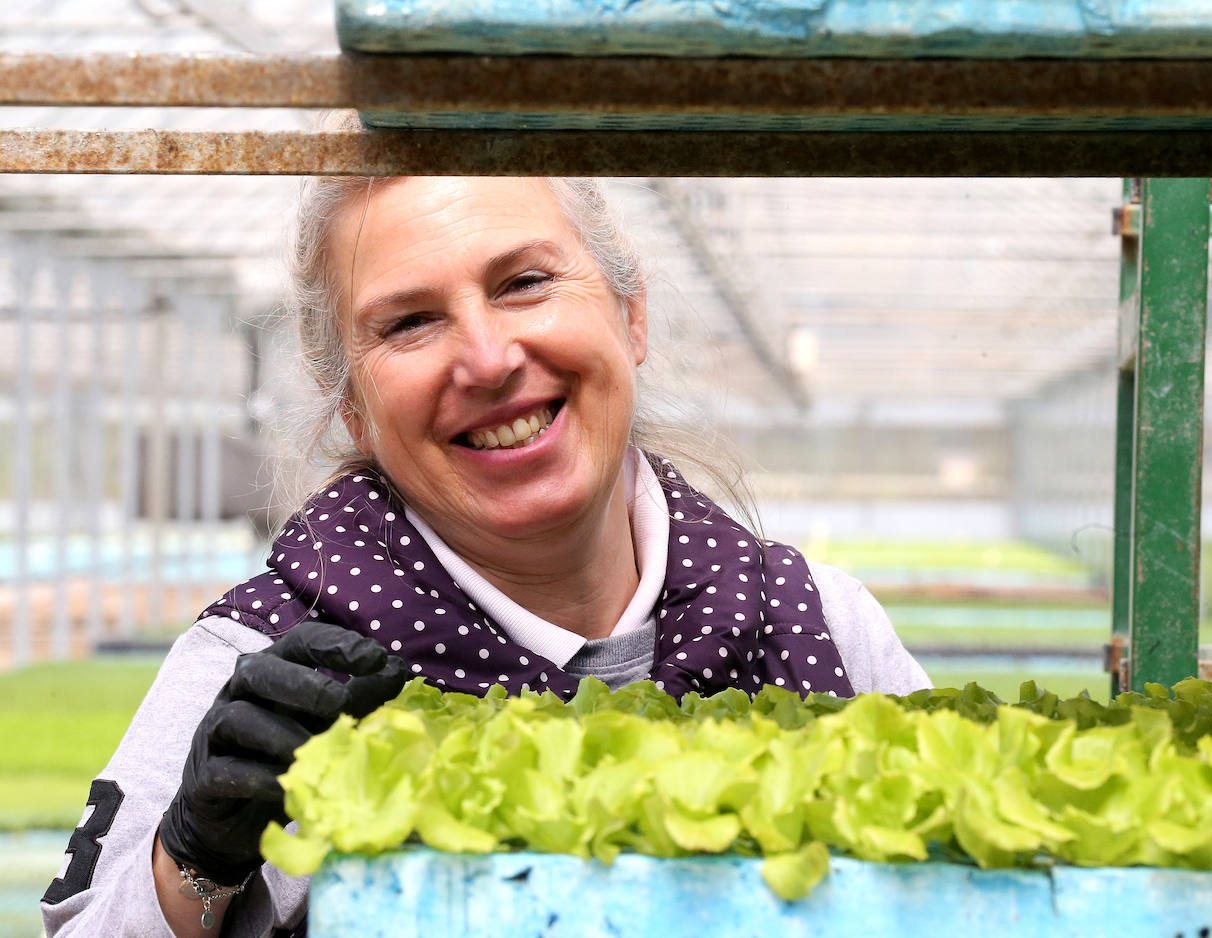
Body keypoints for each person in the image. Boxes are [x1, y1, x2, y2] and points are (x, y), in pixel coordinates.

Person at [40, 175, 934, 938]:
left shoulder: (818, 625)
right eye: (409, 324)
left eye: (525, 282)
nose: (487, 357)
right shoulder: (263, 665)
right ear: (354, 409)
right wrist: (195, 861)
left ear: (631, 316)